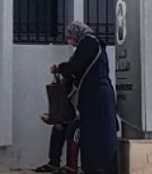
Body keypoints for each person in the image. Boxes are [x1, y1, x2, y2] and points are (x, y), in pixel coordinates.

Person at [51, 21, 118, 174]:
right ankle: (101, 167)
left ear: (76, 33)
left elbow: (74, 68)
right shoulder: (96, 44)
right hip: (101, 95)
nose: (70, 42)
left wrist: (60, 68)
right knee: (101, 132)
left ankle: (91, 167)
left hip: (94, 96)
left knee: (88, 132)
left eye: (70, 37)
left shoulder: (87, 44)